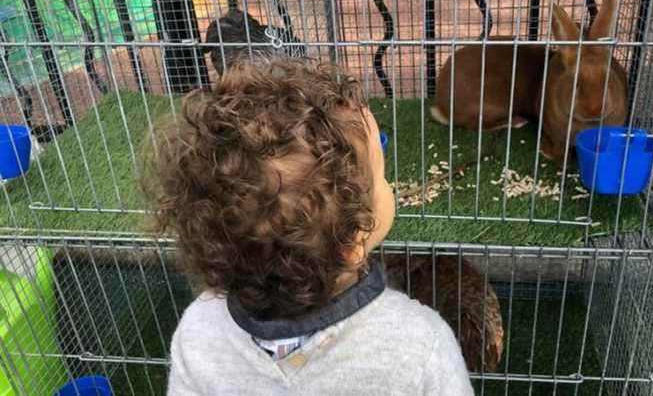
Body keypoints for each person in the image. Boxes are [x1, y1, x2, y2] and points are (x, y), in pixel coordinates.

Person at [142, 58, 473, 395]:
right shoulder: (420, 345)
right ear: (352, 243)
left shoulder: (198, 332)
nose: (387, 184)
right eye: (380, 173)